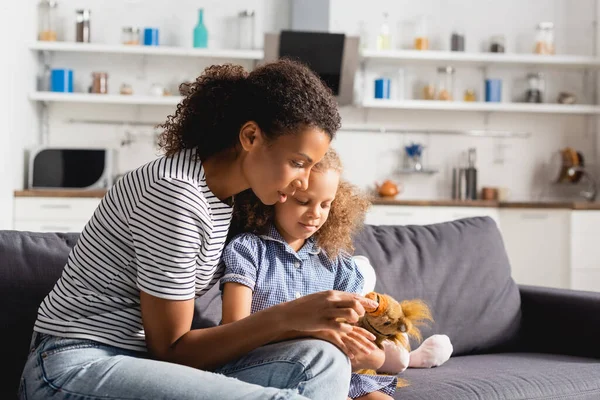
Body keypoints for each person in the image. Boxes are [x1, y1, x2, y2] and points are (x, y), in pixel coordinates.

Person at [18, 59, 380, 400]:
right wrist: (290, 317)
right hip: (74, 365)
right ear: (250, 137)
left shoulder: (226, 196)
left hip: (138, 362)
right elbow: (171, 351)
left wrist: (309, 325)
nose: (303, 183)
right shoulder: (175, 193)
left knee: (324, 359)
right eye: (297, 163)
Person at [221, 149, 397, 400]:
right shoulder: (249, 250)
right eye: (303, 201)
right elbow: (233, 329)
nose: (316, 213)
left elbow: (351, 337)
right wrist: (311, 331)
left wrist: (371, 354)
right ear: (277, 194)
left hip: (327, 366)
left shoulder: (335, 263)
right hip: (261, 364)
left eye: (326, 204)